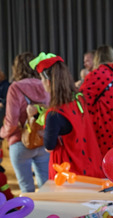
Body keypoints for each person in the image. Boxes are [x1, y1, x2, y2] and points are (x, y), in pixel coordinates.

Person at [29, 52, 104, 179]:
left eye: (41, 78)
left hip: (68, 174)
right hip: (90, 166)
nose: (41, 82)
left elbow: (49, 147)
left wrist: (37, 118)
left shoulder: (53, 114)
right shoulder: (79, 100)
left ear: (48, 82)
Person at [0, 52, 50, 193]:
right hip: (43, 140)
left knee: (26, 189)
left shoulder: (15, 88)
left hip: (20, 141)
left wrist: (2, 133)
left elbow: (12, 122)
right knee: (47, 188)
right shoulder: (46, 84)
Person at [80, 45, 113, 157]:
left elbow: (81, 102)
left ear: (97, 58)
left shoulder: (98, 75)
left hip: (104, 133)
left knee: (104, 169)